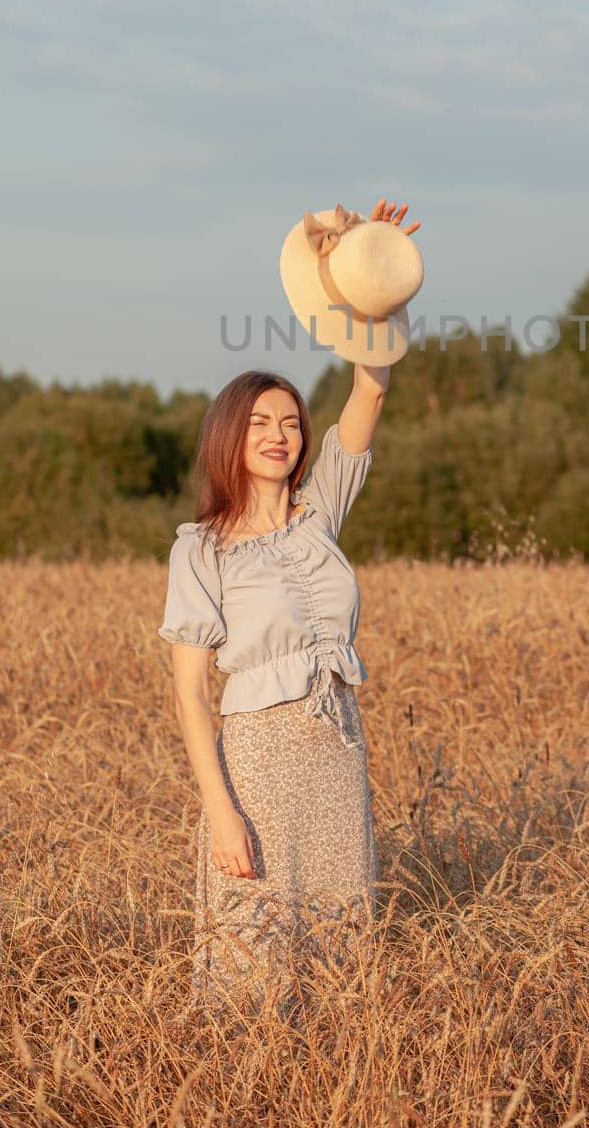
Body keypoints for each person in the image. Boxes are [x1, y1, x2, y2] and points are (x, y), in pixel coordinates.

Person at [158, 196, 422, 1021]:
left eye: (291, 423)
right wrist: (221, 812)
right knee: (255, 960)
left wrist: (365, 283)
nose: (280, 434)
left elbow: (370, 389)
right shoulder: (200, 548)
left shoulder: (320, 512)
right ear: (229, 436)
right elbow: (189, 697)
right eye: (261, 422)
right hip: (258, 766)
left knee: (341, 963)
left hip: (337, 751)